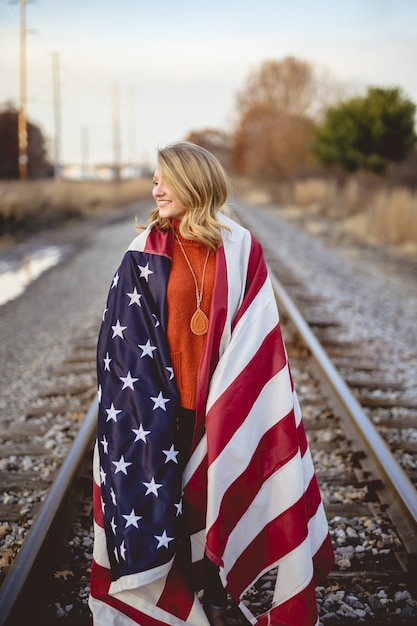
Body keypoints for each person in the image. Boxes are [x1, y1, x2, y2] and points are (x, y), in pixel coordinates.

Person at [89, 142, 334, 626]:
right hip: (160, 412)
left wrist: (231, 402)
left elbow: (258, 335)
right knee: (167, 513)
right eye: (154, 179)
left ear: (193, 182)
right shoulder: (141, 255)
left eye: (165, 179)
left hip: (223, 406)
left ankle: (218, 597)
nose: (155, 189)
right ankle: (174, 606)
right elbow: (121, 350)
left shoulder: (241, 248)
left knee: (217, 499)